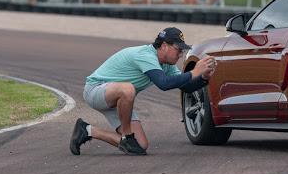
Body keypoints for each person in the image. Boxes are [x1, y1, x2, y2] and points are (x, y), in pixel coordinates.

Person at [69, 27, 215, 156]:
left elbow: (186, 86)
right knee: (128, 89)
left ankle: (87, 130)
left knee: (140, 146)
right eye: (178, 50)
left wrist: (203, 78)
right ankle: (127, 136)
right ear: (164, 46)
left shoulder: (166, 65)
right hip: (96, 90)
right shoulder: (146, 55)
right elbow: (163, 84)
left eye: (182, 51)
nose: (181, 55)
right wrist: (194, 72)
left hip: (118, 99)